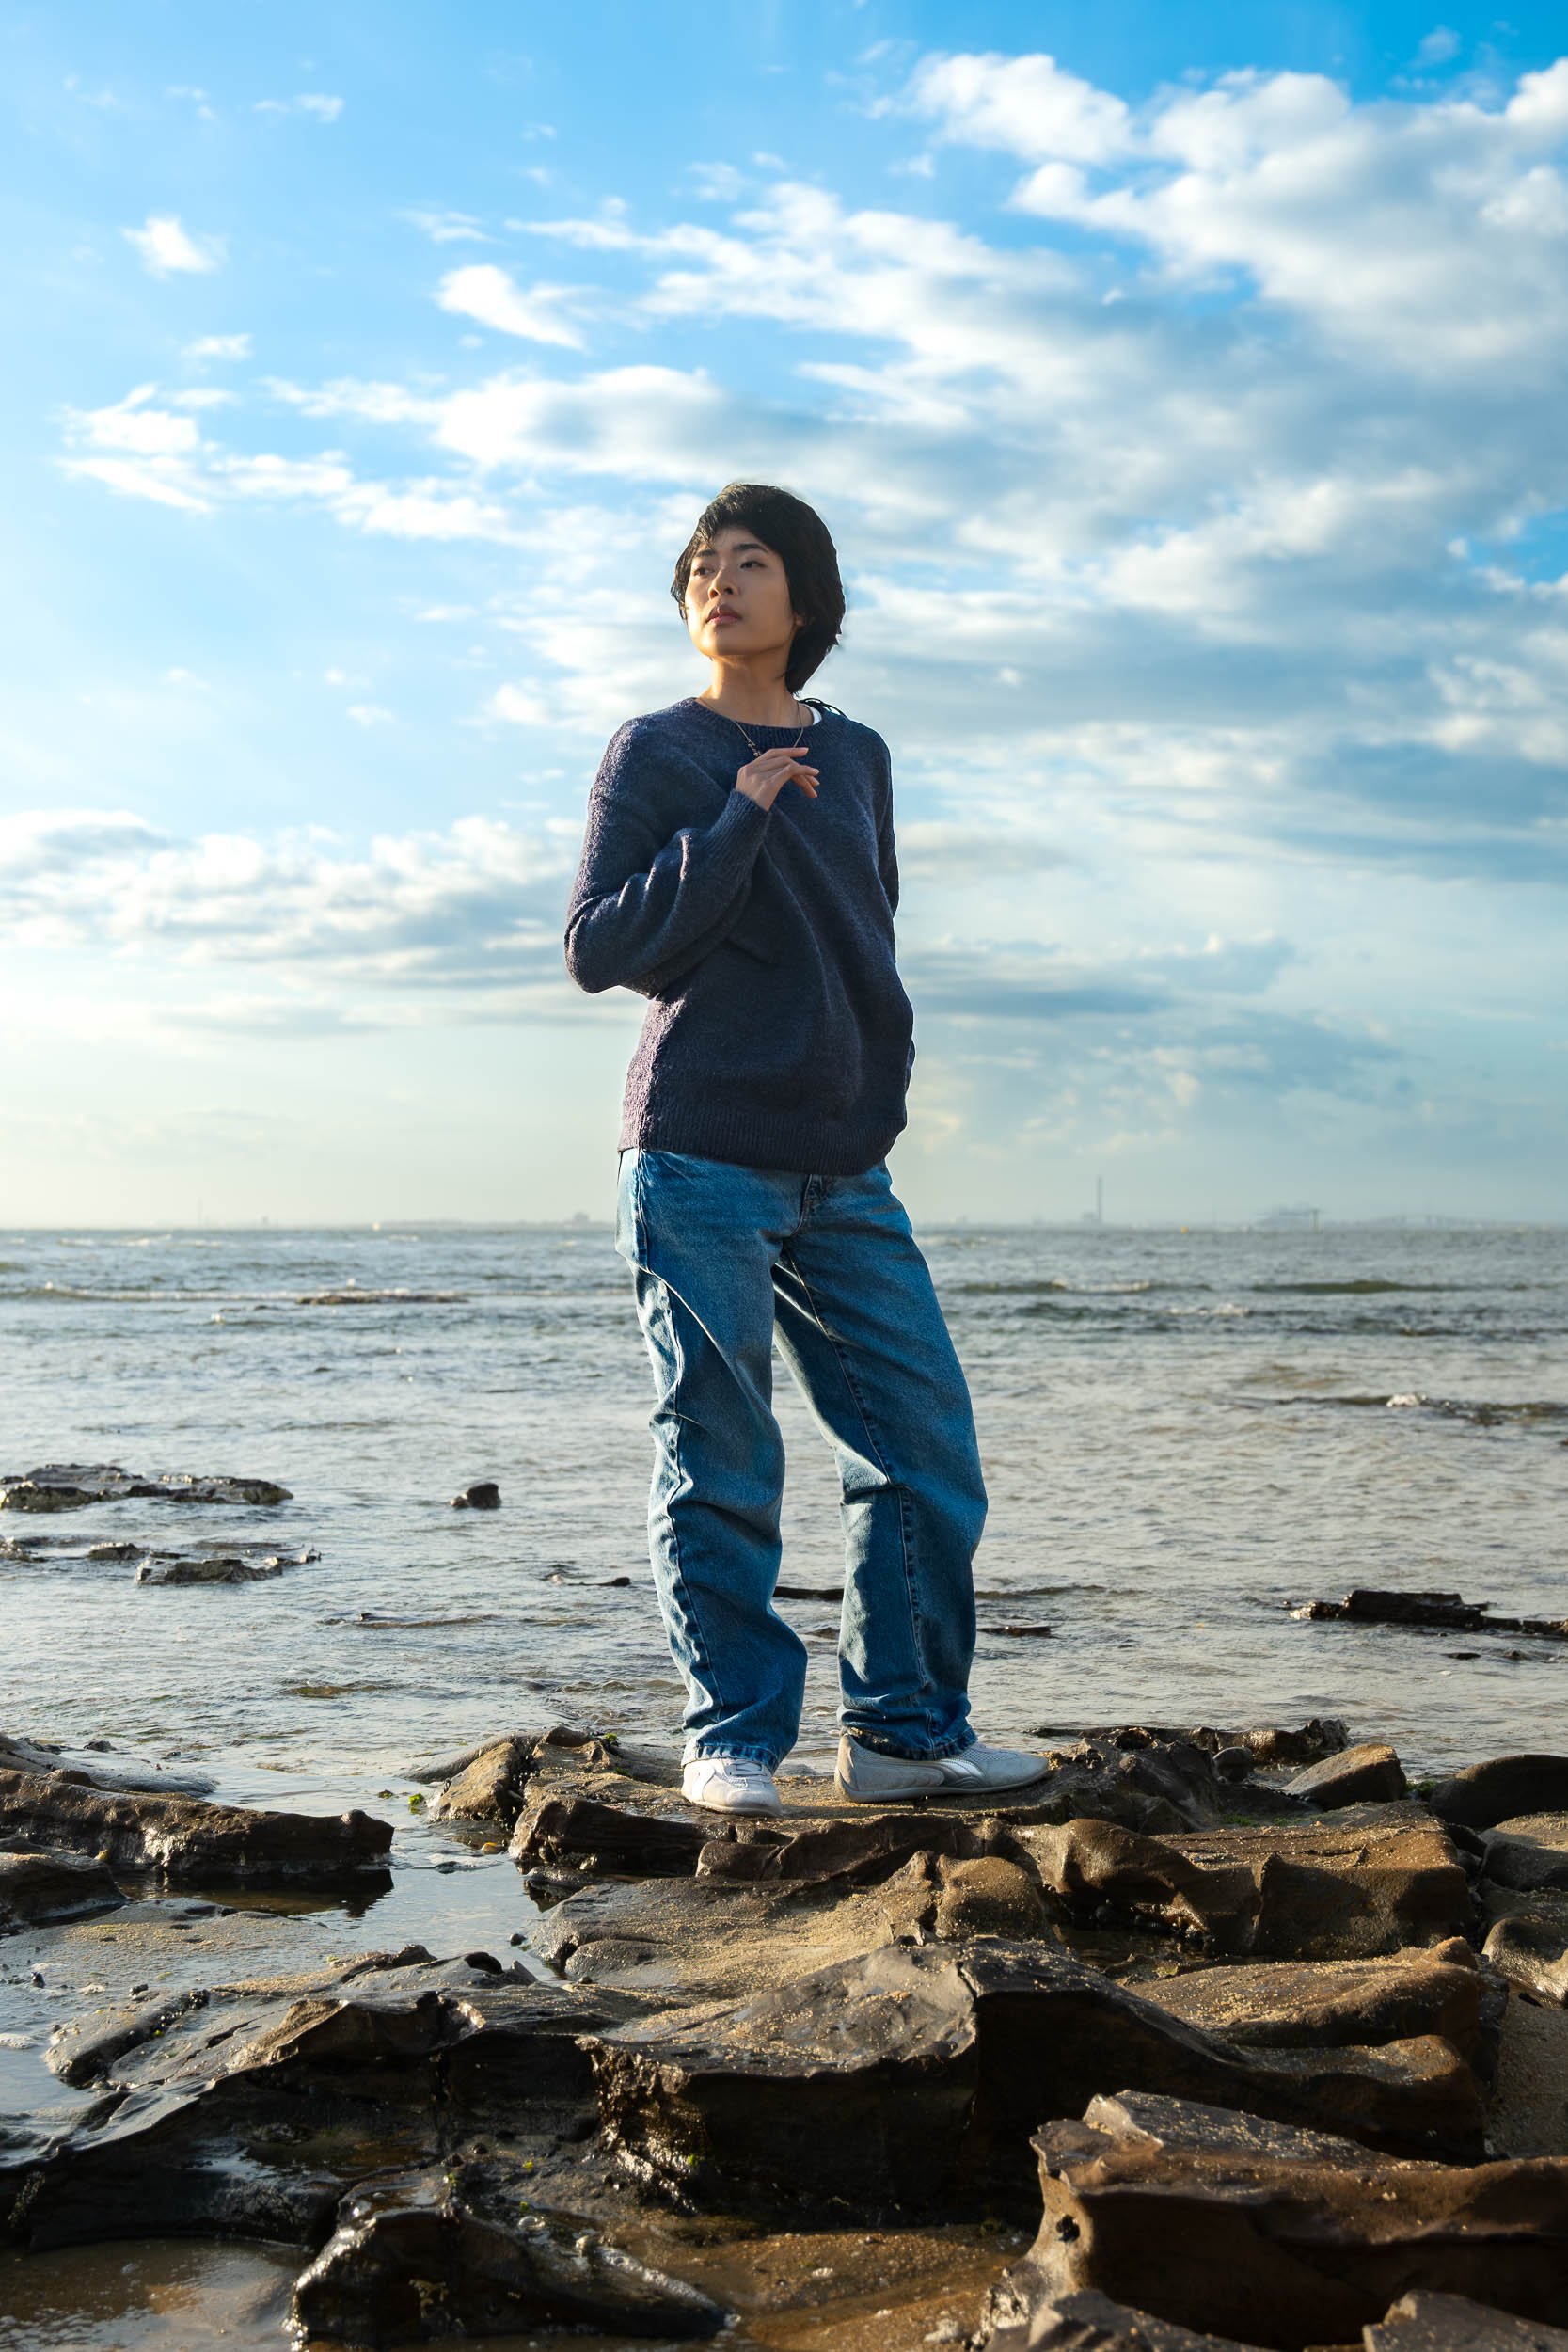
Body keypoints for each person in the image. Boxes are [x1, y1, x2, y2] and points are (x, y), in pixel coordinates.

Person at [563, 481, 1047, 1817]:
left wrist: (877, 1082)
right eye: (702, 564)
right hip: (700, 1149)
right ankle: (732, 1734)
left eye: (753, 559)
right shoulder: (655, 750)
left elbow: (864, 936)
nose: (720, 580)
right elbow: (602, 948)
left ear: (806, 593)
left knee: (923, 1445)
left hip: (845, 1163)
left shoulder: (865, 754)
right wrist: (741, 816)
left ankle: (902, 1732)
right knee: (720, 1447)